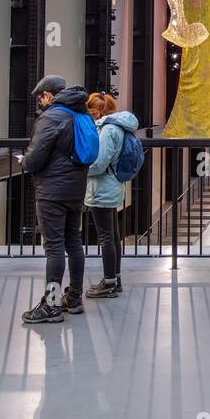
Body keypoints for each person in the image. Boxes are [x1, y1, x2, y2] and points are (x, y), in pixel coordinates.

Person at [20, 75, 92, 324]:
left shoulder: (52, 117)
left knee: (53, 247)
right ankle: (74, 298)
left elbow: (36, 156)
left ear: (49, 94)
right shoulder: (80, 114)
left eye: (41, 97)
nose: (40, 102)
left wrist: (25, 161)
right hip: (75, 189)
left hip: (52, 191)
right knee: (74, 242)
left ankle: (50, 306)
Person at [84, 92, 141, 300]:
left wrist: (81, 169)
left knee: (106, 236)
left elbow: (99, 164)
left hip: (102, 188)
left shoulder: (107, 131)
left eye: (90, 112)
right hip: (113, 185)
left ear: (99, 111)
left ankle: (108, 282)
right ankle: (115, 279)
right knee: (113, 234)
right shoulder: (119, 127)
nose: (89, 116)